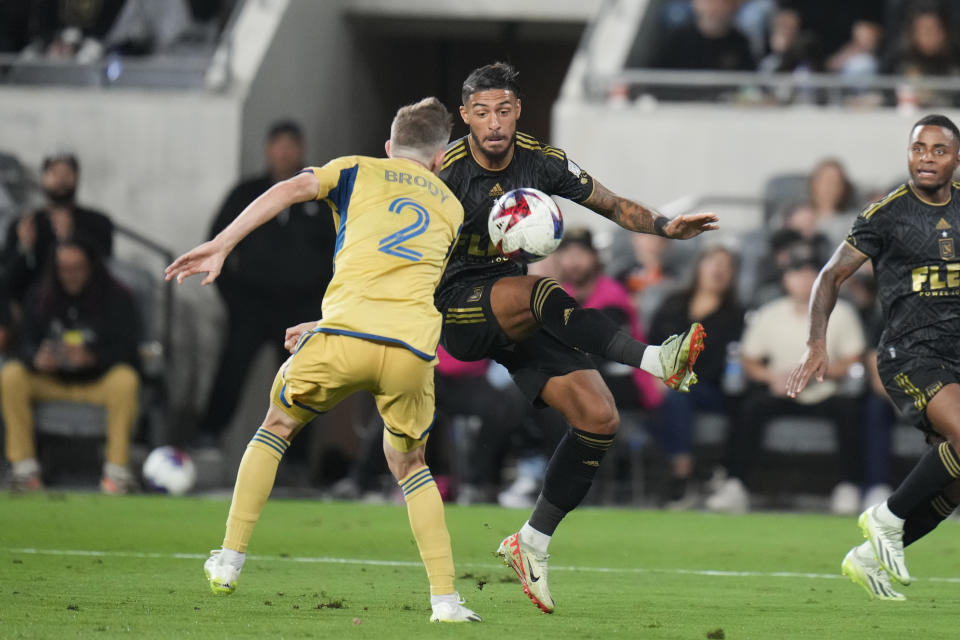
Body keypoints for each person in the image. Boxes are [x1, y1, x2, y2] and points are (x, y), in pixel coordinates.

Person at [165, 97, 481, 623]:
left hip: (345, 338)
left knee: (276, 426)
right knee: (411, 466)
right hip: (408, 350)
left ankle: (229, 559)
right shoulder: (450, 207)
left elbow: (289, 190)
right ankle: (446, 601)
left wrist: (222, 244)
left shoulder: (356, 169)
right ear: (439, 160)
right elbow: (409, 282)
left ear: (388, 147)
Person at [437, 62, 717, 613]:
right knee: (541, 288)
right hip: (456, 309)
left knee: (599, 417)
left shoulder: (541, 162)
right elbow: (398, 251)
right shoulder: (443, 171)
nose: (494, 123)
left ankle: (531, 542)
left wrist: (664, 226)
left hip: (512, 306)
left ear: (518, 111)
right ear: (465, 116)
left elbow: (612, 206)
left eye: (504, 110)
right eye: (482, 113)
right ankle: (656, 359)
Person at [787, 114, 960, 601]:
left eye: (938, 150)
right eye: (918, 148)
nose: (926, 157)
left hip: (958, 357)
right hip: (911, 355)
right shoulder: (887, 213)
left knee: (952, 486)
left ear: (956, 159)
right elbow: (829, 276)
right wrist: (817, 342)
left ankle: (866, 557)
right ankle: (884, 517)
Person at [195, 120, 335, 447]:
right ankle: (208, 436)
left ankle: (298, 460)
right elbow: (219, 244)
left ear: (301, 151)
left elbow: (338, 253)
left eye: (291, 146)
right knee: (232, 370)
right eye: (279, 145)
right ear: (267, 149)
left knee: (302, 381)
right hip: (251, 305)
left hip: (302, 307)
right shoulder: (246, 194)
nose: (285, 153)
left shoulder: (319, 196)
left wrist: (322, 305)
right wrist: (233, 297)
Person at [707, 246, 866, 513]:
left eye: (810, 273)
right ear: (785, 279)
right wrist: (771, 377)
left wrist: (817, 373)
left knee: (850, 411)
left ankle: (849, 486)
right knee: (749, 408)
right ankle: (735, 484)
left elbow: (854, 359)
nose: (803, 280)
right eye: (796, 273)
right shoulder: (770, 313)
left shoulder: (842, 312)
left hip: (826, 389)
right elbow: (748, 358)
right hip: (783, 389)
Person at [1, 237, 141, 494]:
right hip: (51, 382)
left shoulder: (117, 297)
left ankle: (117, 473)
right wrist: (37, 358)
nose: (71, 276)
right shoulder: (40, 296)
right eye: (64, 269)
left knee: (125, 380)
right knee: (11, 376)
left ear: (91, 266)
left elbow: (129, 352)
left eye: (77, 268)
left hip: (97, 383)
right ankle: (24, 470)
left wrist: (92, 357)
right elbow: (21, 345)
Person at [648, 245, 745, 507]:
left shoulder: (735, 315)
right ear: (699, 267)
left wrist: (675, 379)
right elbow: (651, 344)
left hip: (710, 389)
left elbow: (723, 365)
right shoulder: (674, 304)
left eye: (726, 266)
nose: (718, 270)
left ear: (733, 276)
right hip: (661, 381)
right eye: (713, 262)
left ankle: (681, 474)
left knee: (677, 397)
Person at [2, 152, 114, 302]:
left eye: (67, 173)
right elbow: (9, 281)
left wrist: (72, 238)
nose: (61, 180)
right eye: (55, 173)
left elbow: (104, 275)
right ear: (43, 178)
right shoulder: (23, 224)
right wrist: (24, 248)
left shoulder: (99, 223)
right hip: (33, 313)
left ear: (77, 178)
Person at [649, 0, 755, 72]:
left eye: (720, 3)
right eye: (707, 2)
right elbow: (655, 74)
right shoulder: (677, 38)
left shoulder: (740, 42)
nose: (713, 9)